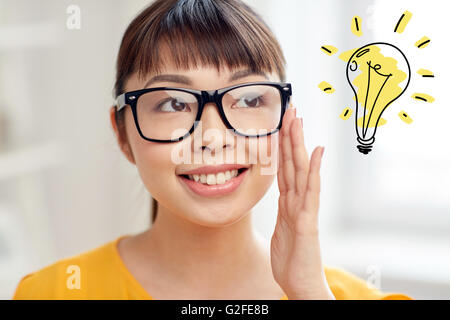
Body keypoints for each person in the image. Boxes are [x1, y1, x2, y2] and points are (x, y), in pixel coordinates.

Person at [12, 0, 411, 300]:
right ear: (122, 133)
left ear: (286, 120)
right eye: (172, 103)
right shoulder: (53, 292)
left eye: (250, 99)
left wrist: (308, 292)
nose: (213, 136)